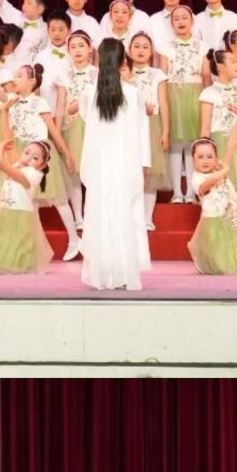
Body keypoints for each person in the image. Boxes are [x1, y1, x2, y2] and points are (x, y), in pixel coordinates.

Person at [77, 37, 151, 291]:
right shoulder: (133, 93)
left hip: (99, 166)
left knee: (100, 215)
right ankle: (124, 273)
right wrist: (143, 164)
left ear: (99, 60)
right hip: (125, 163)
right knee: (126, 215)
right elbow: (141, 130)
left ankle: (102, 272)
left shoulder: (89, 94)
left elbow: (87, 122)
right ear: (122, 62)